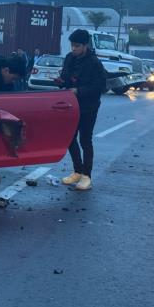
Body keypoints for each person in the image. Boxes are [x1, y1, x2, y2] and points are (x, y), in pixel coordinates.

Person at [59, 29, 107, 191]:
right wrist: (60, 81)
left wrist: (79, 91)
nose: (73, 49)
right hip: (70, 105)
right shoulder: (69, 59)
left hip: (89, 107)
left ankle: (87, 176)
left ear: (85, 45)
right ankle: (77, 170)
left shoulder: (94, 63)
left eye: (77, 46)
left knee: (85, 140)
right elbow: (66, 78)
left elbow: (101, 86)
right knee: (68, 138)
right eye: (72, 46)